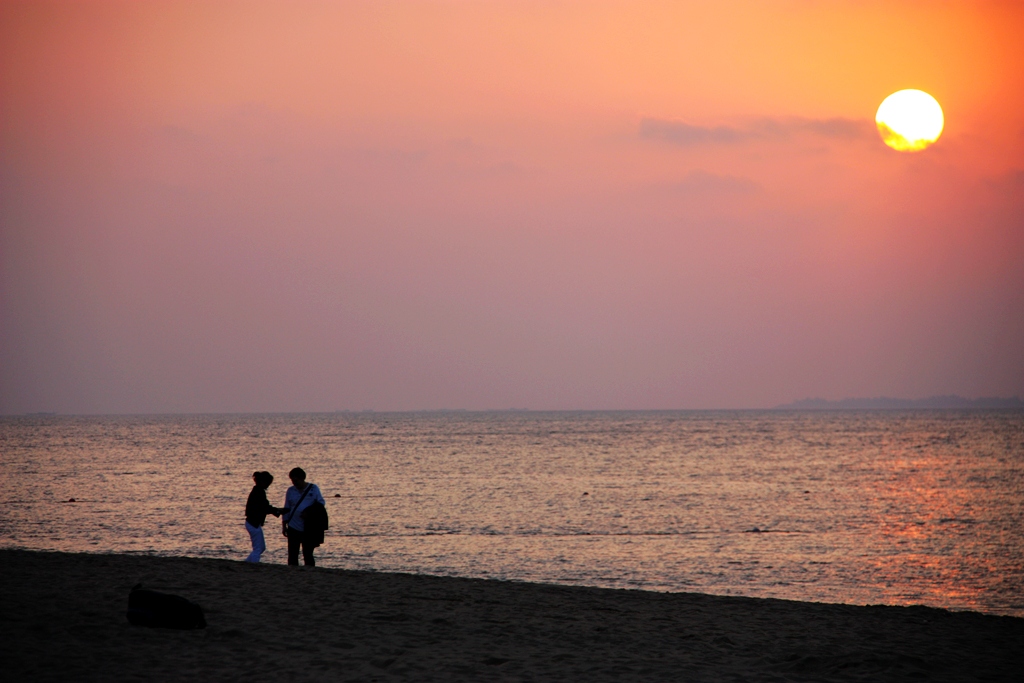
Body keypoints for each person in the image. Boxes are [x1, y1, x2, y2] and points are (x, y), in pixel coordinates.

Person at [282, 467, 326, 566]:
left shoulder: (314, 488)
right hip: (293, 526)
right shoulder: (290, 490)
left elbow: (321, 503)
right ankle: (293, 573)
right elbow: (287, 508)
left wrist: (309, 512)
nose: (294, 483)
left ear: (302, 478)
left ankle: (310, 572)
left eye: (296, 480)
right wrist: (284, 525)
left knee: (308, 553)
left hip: (309, 527)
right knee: (292, 554)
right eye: (292, 480)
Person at [244, 471, 286, 563]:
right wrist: (277, 511)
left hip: (253, 522)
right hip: (253, 523)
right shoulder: (259, 492)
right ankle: (253, 563)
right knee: (258, 548)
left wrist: (276, 510)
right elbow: (265, 507)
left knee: (261, 547)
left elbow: (265, 507)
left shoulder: (257, 491)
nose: (268, 485)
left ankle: (247, 562)